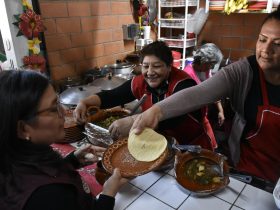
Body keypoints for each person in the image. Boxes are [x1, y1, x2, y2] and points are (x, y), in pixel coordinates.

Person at [130, 5, 280, 183]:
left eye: (277, 44)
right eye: (262, 40)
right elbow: (198, 94)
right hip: (247, 168)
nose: (265, 50)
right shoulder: (244, 72)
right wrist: (156, 111)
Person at [0, 70, 128, 210]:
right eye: (53, 108)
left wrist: (72, 160)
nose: (63, 112)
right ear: (23, 129)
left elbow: (43, 172)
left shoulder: (19, 157)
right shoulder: (49, 196)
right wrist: (108, 194)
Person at [74, 41, 217, 150]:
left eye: (157, 66)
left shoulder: (184, 85)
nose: (149, 72)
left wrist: (132, 121)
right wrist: (85, 102)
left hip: (192, 145)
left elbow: (172, 118)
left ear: (169, 67)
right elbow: (114, 95)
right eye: (145, 66)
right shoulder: (142, 82)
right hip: (161, 145)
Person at [184, 43, 225, 127]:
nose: (212, 67)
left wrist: (221, 110)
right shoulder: (188, 74)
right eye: (211, 64)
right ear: (203, 61)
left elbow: (212, 89)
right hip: (192, 117)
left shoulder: (206, 71)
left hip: (203, 113)